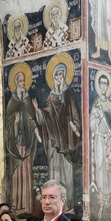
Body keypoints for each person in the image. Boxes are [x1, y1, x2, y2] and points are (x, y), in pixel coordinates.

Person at [33, 60, 81, 200]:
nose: (58, 78)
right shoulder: (51, 95)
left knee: (67, 169)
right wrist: (38, 111)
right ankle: (54, 200)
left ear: (64, 76)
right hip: (54, 140)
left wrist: (75, 127)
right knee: (54, 170)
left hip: (66, 139)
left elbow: (74, 113)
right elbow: (46, 116)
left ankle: (69, 202)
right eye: (56, 75)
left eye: (61, 75)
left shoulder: (69, 93)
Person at [5, 67, 42, 214]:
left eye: (23, 81)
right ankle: (16, 205)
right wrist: (15, 121)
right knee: (16, 175)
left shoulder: (27, 100)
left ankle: (26, 207)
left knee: (26, 174)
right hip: (15, 146)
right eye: (20, 81)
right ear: (15, 83)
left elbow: (31, 119)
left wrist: (36, 133)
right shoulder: (12, 101)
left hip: (26, 145)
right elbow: (8, 121)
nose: (22, 83)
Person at [89, 72, 111, 221]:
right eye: (100, 83)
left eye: (105, 84)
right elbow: (92, 124)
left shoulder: (110, 105)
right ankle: (101, 205)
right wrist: (99, 119)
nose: (103, 86)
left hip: (110, 142)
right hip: (100, 142)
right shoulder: (96, 104)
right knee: (101, 169)